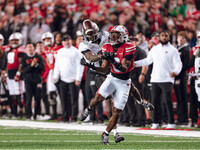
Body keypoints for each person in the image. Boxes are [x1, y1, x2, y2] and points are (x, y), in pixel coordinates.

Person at [80, 25, 136, 145]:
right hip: (100, 70)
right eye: (89, 35)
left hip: (115, 72)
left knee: (113, 104)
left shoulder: (107, 35)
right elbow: (91, 57)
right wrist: (100, 57)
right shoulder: (83, 45)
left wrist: (115, 57)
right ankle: (112, 130)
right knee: (105, 98)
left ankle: (113, 132)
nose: (93, 37)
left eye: (94, 33)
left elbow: (123, 59)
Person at [134, 30, 182, 129]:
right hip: (155, 79)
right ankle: (155, 122)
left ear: (169, 37)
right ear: (159, 37)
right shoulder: (154, 49)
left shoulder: (173, 50)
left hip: (167, 79)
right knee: (154, 102)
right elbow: (148, 60)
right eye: (162, 36)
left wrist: (176, 72)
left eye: (166, 35)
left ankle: (171, 123)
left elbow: (178, 63)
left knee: (167, 101)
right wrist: (135, 64)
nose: (164, 37)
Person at [53, 34, 84, 122]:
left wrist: (78, 78)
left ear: (71, 41)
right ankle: (65, 117)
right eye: (64, 40)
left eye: (68, 40)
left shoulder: (76, 51)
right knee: (63, 99)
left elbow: (80, 66)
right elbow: (57, 65)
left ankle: (73, 118)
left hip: (73, 80)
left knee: (74, 100)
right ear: (62, 42)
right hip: (62, 79)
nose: (66, 42)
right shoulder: (60, 51)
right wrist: (55, 76)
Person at [21, 42, 44, 120]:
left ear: (34, 48)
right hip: (28, 81)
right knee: (28, 98)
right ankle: (29, 115)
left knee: (38, 98)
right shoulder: (24, 58)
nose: (30, 48)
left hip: (37, 80)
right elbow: (23, 71)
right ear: (26, 49)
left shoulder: (39, 57)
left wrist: (36, 65)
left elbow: (42, 68)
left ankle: (37, 114)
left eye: (31, 47)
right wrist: (31, 66)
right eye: (28, 47)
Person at [174, 31, 190, 125]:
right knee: (178, 97)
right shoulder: (175, 48)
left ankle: (183, 118)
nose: (181, 39)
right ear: (177, 38)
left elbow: (186, 65)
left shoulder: (185, 50)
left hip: (181, 76)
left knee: (182, 97)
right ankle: (181, 118)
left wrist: (178, 75)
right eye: (180, 37)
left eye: (183, 38)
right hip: (176, 76)